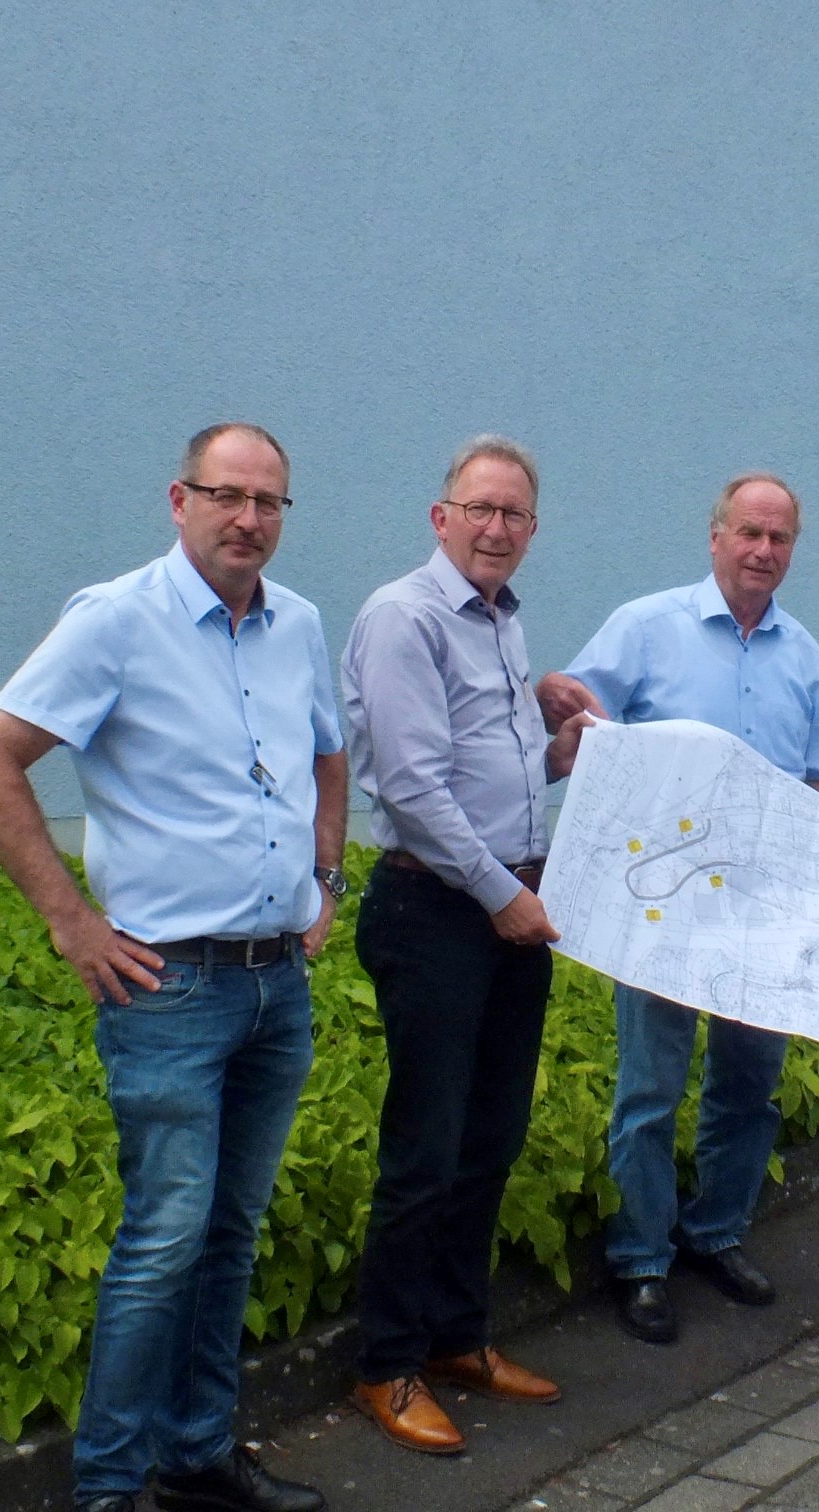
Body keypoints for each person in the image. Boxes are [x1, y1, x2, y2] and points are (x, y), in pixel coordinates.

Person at [0, 423, 343, 1512]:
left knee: (229, 1234)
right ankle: (111, 1488)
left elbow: (327, 748)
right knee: (163, 1242)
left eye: (269, 501)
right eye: (227, 496)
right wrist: (72, 925)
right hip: (166, 989)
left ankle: (197, 1456)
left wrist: (327, 879)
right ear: (179, 500)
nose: (248, 520)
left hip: (278, 985)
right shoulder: (115, 621)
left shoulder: (297, 623)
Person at [537, 472, 819, 1345]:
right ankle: (639, 1258)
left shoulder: (804, 654)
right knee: (650, 1087)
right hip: (662, 904)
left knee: (750, 1088)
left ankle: (715, 1233)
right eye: (748, 533)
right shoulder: (645, 627)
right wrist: (554, 713)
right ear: (714, 536)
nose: (762, 551)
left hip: (767, 906)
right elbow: (573, 725)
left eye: (779, 539)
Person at [340, 436, 594, 1453]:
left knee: (489, 1141)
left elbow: (483, 765)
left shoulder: (501, 623)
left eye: (514, 516)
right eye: (478, 510)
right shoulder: (402, 616)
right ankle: (386, 1364)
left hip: (506, 916)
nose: (495, 529)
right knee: (425, 1149)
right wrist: (500, 894)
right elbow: (409, 785)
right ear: (439, 517)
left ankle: (454, 1338)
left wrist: (556, 753)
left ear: (531, 531)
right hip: (437, 914)